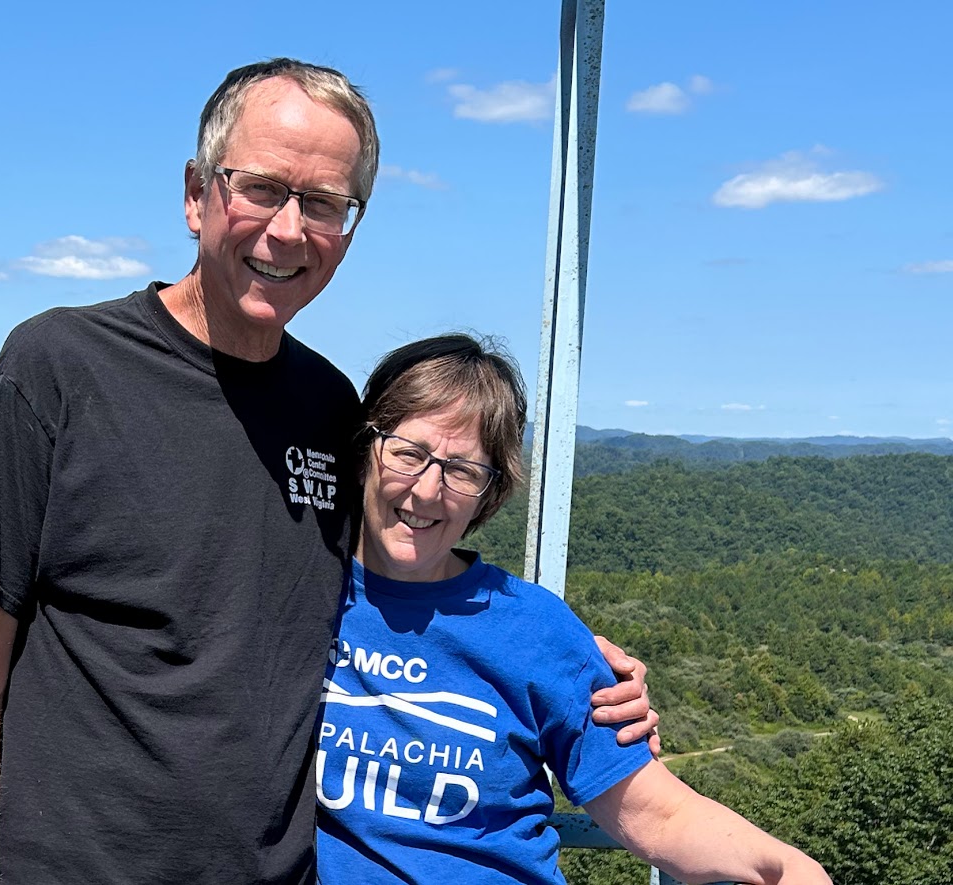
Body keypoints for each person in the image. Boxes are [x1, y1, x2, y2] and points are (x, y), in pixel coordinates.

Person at [0, 59, 654, 885]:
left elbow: (395, 585)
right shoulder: (60, 364)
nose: (286, 230)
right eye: (261, 188)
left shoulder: (330, 408)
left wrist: (570, 666)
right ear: (197, 193)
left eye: (323, 204)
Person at [315, 333, 833, 885]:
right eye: (408, 452)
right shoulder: (295, 588)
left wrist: (785, 868)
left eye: (462, 471)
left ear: (488, 493)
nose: (425, 490)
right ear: (366, 451)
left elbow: (658, 816)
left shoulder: (534, 629)